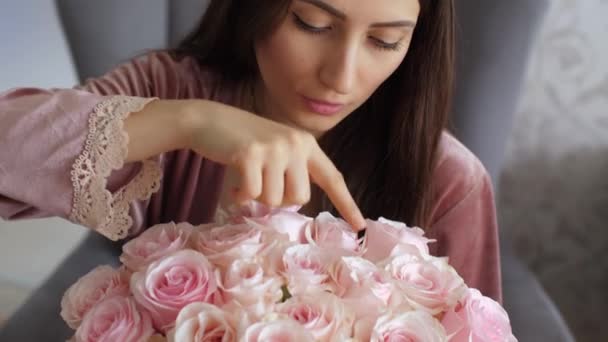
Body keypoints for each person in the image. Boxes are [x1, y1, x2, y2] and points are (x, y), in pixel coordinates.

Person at [0, 0, 501, 302]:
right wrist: (191, 121)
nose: (341, 78)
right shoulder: (172, 89)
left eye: (385, 42)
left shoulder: (450, 181)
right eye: (311, 23)